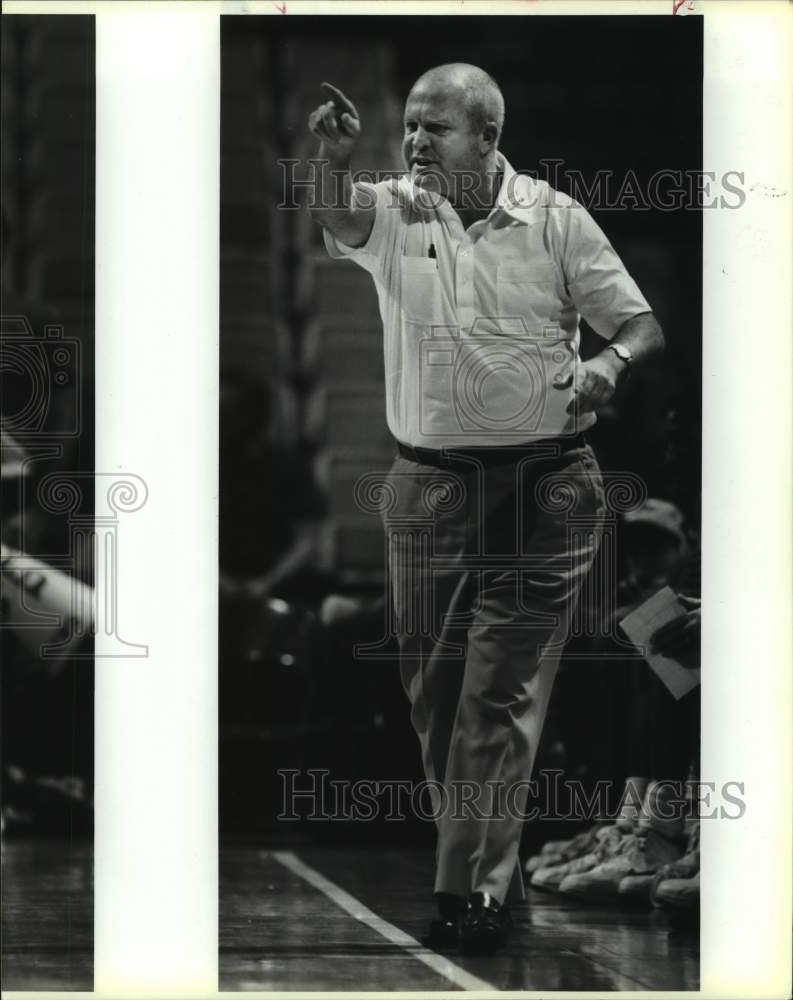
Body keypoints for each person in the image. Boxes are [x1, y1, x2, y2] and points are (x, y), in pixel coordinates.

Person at [306, 63, 665, 955]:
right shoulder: (393, 208)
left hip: (546, 487)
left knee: (492, 699)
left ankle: (465, 891)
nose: (415, 142)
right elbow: (334, 212)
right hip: (426, 488)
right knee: (435, 698)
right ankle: (477, 864)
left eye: (436, 128)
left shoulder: (556, 218)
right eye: (411, 128)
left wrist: (606, 368)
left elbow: (639, 325)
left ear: (488, 139)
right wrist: (328, 156)